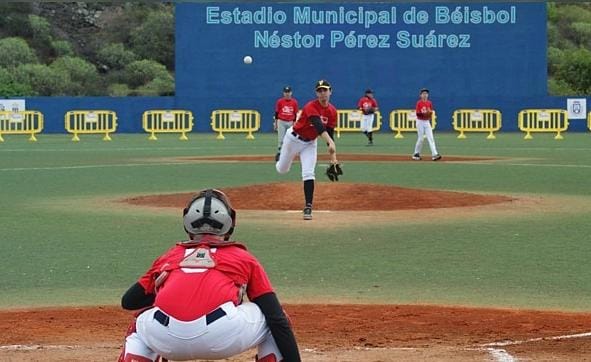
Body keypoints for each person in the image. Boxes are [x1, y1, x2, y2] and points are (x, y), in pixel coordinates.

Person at [118, 188, 301, 362]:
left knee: (139, 325)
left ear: (187, 221)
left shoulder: (170, 256)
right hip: (222, 336)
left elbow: (129, 302)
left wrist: (161, 290)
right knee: (275, 320)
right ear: (230, 222)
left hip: (165, 338)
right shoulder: (242, 258)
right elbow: (275, 318)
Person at [275, 79, 339, 221]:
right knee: (282, 169)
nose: (323, 94)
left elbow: (330, 134)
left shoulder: (333, 112)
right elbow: (319, 127)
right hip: (293, 139)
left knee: (309, 173)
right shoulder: (311, 106)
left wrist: (333, 158)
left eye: (325, 90)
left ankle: (308, 206)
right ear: (316, 93)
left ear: (330, 92)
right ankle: (280, 157)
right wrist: (329, 141)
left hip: (310, 143)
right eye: (320, 91)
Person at [413, 88, 442, 161]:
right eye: (423, 93)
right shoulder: (419, 103)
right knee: (421, 139)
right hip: (420, 122)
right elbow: (418, 114)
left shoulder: (429, 103)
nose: (425, 95)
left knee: (431, 138)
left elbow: (431, 112)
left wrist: (429, 114)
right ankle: (416, 154)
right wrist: (425, 114)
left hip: (426, 122)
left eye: (426, 93)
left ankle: (434, 154)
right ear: (420, 95)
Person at [274, 86, 299, 161]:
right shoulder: (280, 101)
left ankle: (289, 154)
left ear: (291, 93)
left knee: (290, 139)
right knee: (281, 139)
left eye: (288, 92)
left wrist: (295, 123)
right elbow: (276, 113)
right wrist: (276, 123)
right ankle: (280, 153)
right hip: (281, 121)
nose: (287, 94)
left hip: (291, 122)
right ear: (283, 93)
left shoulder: (294, 102)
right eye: (286, 92)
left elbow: (295, 114)